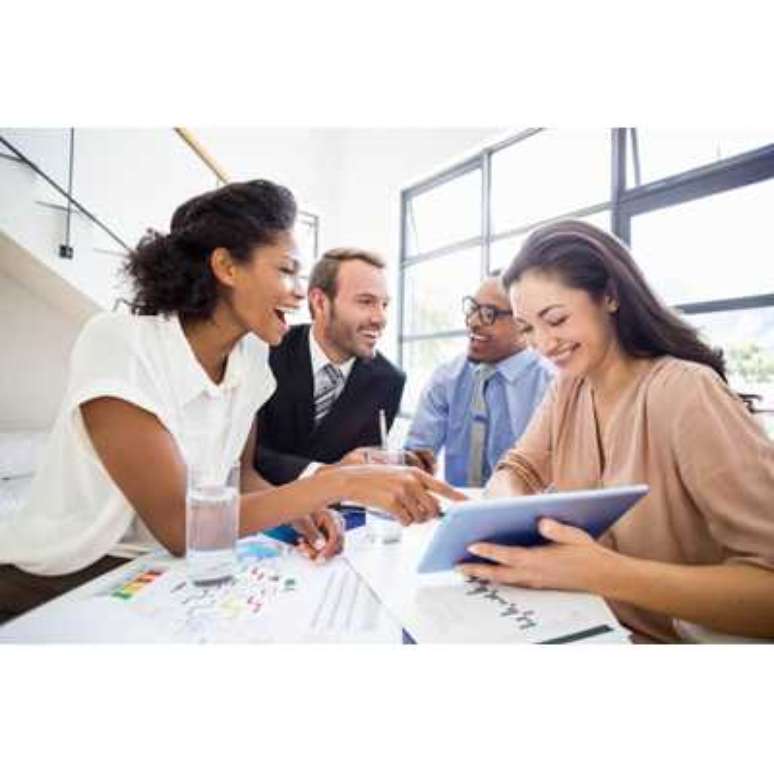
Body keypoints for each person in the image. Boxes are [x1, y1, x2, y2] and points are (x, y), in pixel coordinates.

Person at [0, 180, 463, 621]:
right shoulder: (120, 342)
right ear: (226, 267)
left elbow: (241, 477)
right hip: (66, 577)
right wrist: (337, 482)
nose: (299, 293)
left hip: (163, 574)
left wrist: (298, 511)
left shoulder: (252, 360)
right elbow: (182, 527)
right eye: (286, 270)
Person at [457, 220, 774, 643]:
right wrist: (513, 525)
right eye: (528, 329)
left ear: (610, 295)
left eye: (556, 319)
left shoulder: (685, 391)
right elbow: (517, 469)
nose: (544, 345)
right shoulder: (569, 387)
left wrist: (598, 572)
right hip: (594, 626)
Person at [254, 247, 406, 485]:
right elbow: (245, 455)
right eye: (366, 302)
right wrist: (326, 473)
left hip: (338, 508)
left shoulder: (388, 380)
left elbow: (363, 471)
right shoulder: (265, 352)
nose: (380, 318)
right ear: (320, 302)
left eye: (384, 304)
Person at [405, 274, 553, 487]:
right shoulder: (447, 377)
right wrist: (410, 462)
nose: (473, 322)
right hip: (457, 504)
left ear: (523, 322)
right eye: (473, 309)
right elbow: (416, 455)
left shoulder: (552, 383)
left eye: (488, 314)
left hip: (530, 505)